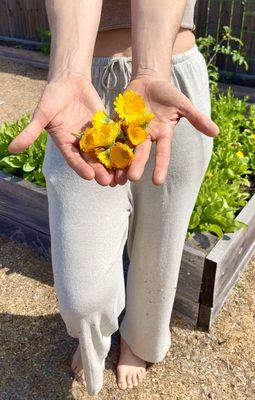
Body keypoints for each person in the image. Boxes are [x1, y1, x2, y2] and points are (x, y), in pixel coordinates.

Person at [8, 0, 219, 396]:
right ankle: (93, 335)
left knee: (160, 244)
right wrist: (70, 71)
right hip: (83, 90)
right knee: (81, 293)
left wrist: (150, 70)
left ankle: (140, 339)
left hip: (170, 77)